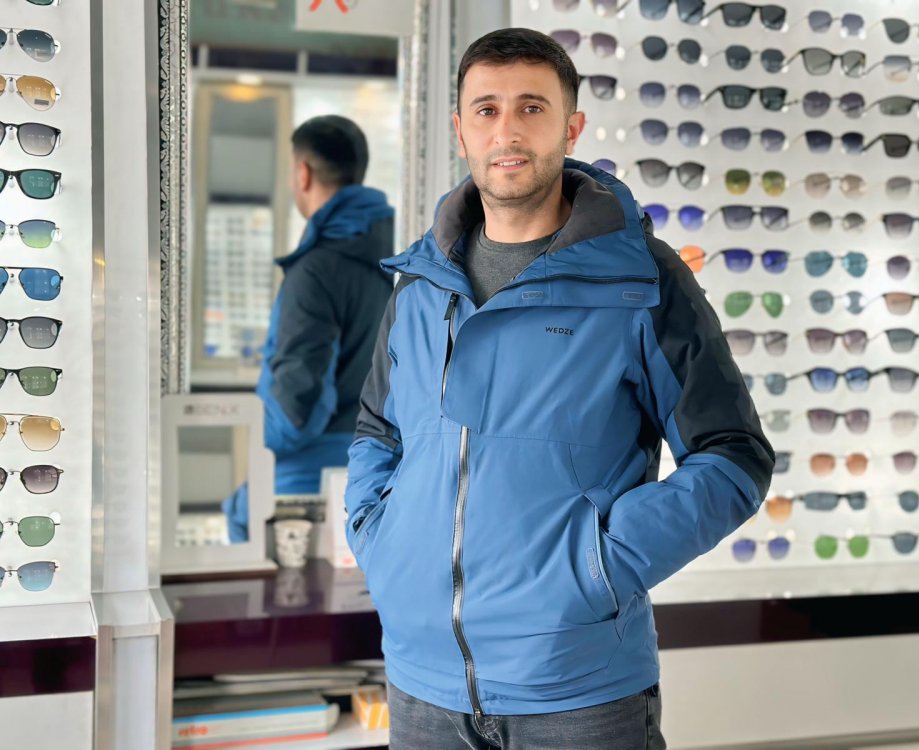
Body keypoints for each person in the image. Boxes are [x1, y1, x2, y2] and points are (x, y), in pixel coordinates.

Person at [345, 28, 773, 749]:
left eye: (531, 108)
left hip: (578, 691)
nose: (507, 131)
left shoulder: (642, 278)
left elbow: (733, 457)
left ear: (571, 128)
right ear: (460, 129)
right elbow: (376, 431)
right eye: (486, 110)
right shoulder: (419, 284)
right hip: (421, 686)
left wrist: (600, 568)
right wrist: (379, 540)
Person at [223, 115, 394, 542]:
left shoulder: (315, 271)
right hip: (367, 474)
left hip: (301, 481)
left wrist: (256, 442)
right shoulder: (382, 265)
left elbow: (298, 407)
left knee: (240, 521)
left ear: (302, 173)